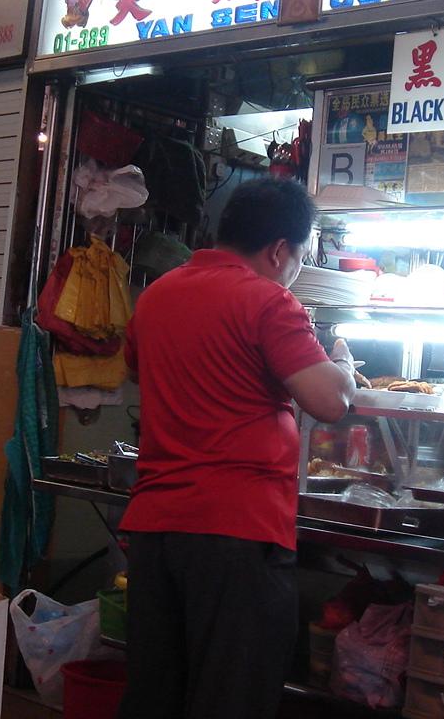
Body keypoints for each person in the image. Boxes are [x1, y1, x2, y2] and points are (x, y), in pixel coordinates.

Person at [116, 176, 355, 719]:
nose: (295, 271)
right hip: (237, 535)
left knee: (155, 696)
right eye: (301, 258)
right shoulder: (269, 301)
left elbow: (137, 371)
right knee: (232, 698)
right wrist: (342, 363)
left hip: (156, 532)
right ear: (279, 250)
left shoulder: (157, 296)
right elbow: (329, 402)